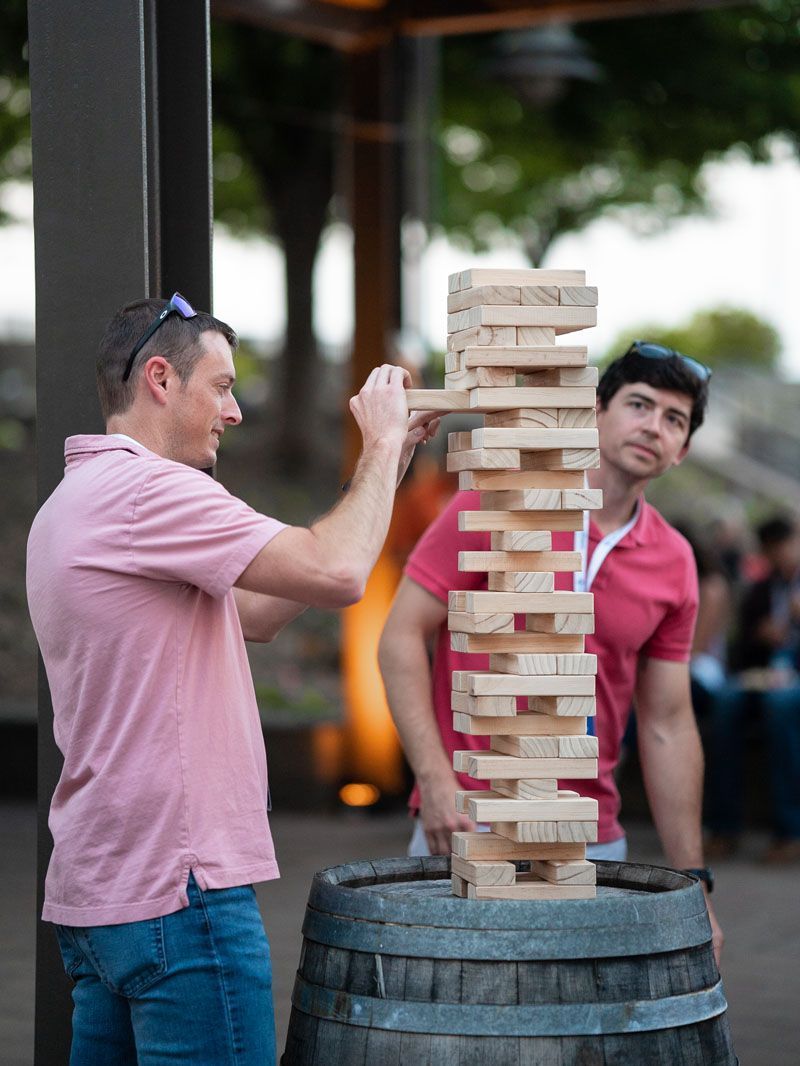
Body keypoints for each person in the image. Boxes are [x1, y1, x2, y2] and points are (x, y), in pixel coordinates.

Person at [26, 292, 439, 1065]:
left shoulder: (75, 502)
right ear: (160, 378)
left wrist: (391, 465)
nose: (236, 410)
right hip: (179, 891)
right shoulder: (151, 491)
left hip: (103, 895)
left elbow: (260, 611)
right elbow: (339, 570)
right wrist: (379, 447)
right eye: (221, 386)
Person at [379, 339, 723, 962]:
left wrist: (694, 880)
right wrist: (433, 779)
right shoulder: (500, 498)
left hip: (591, 833)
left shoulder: (674, 561)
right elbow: (401, 634)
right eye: (639, 404)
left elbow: (669, 724)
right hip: (472, 817)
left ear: (684, 451)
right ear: (596, 410)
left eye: (674, 420)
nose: (653, 426)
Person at [706, 514, 800, 862]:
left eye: (785, 546)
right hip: (763, 675)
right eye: (772, 549)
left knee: (781, 707)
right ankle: (723, 826)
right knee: (725, 701)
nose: (781, 556)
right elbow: (741, 648)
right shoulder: (762, 589)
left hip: (791, 684)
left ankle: (790, 830)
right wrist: (762, 637)